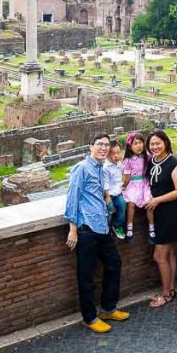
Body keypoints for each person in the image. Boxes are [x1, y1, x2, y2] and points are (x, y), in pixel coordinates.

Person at [63, 133, 129, 333]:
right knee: (87, 275)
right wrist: (72, 229)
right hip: (86, 229)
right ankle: (90, 317)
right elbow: (72, 198)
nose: (103, 148)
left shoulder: (101, 169)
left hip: (101, 226)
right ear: (90, 146)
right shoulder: (82, 168)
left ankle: (108, 308)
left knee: (114, 264)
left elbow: (100, 194)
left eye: (106, 145)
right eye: (99, 144)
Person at [145, 129, 177, 308]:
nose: (155, 147)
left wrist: (157, 200)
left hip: (170, 213)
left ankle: (166, 294)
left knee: (159, 255)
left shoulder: (174, 164)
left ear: (166, 143)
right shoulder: (152, 162)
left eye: (158, 143)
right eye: (152, 144)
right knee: (169, 253)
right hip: (158, 213)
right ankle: (171, 289)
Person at [122, 131, 153, 241]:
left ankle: (152, 228)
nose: (139, 146)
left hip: (145, 184)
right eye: (135, 143)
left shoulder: (147, 157)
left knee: (149, 203)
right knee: (131, 203)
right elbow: (127, 177)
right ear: (130, 147)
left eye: (140, 142)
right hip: (133, 184)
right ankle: (129, 228)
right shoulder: (128, 160)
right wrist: (124, 186)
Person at [103, 141, 127, 239]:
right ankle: (106, 229)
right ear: (108, 154)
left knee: (122, 205)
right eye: (113, 153)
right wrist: (107, 197)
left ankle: (117, 225)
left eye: (118, 152)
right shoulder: (105, 167)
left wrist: (123, 185)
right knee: (109, 211)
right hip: (109, 194)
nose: (116, 156)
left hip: (118, 193)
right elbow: (105, 184)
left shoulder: (119, 164)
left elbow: (123, 174)